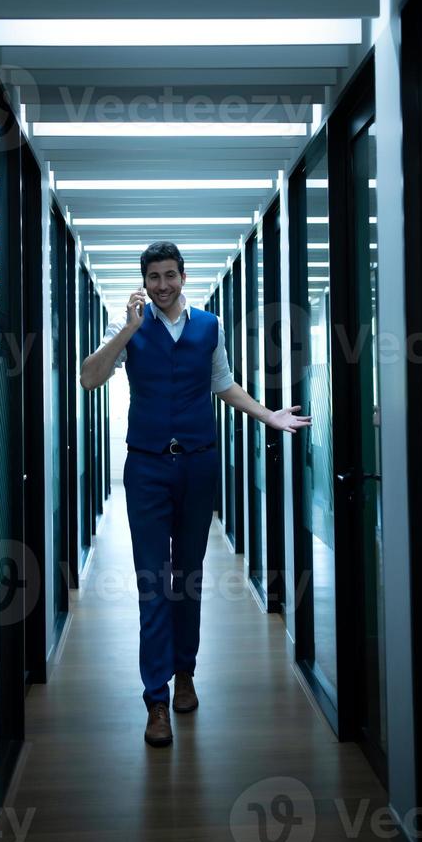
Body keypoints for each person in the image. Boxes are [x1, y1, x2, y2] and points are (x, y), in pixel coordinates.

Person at [80, 241, 311, 747]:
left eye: (170, 275)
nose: (162, 285)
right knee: (151, 581)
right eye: (153, 277)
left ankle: (185, 673)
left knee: (187, 574)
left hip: (199, 465)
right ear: (143, 281)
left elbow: (223, 384)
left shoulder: (209, 326)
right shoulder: (132, 330)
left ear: (184, 276)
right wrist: (128, 330)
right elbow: (88, 378)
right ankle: (156, 698)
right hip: (145, 468)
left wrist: (269, 415)